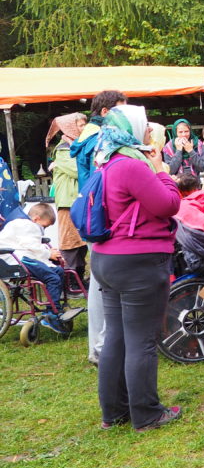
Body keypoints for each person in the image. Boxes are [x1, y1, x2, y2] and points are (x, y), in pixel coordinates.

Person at [89, 104, 183, 431]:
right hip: (138, 263)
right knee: (141, 340)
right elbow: (168, 204)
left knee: (116, 337)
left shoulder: (106, 162)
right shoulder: (132, 165)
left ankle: (114, 412)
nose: (149, 130)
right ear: (130, 128)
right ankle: (146, 414)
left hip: (107, 259)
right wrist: (160, 171)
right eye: (144, 125)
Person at [69, 90, 126, 367]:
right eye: (120, 111)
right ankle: (102, 347)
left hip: (93, 216)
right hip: (100, 217)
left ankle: (99, 346)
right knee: (104, 284)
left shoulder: (87, 136)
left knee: (99, 282)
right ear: (105, 112)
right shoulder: (98, 139)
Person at [0, 204, 70, 332]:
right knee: (53, 278)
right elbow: (32, 245)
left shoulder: (23, 223)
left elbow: (32, 245)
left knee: (58, 271)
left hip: (19, 256)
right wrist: (49, 254)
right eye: (44, 226)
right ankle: (52, 313)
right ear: (36, 219)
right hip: (16, 259)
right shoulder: (28, 225)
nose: (44, 229)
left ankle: (54, 306)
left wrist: (49, 254)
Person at [46, 112, 88, 280]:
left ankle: (79, 279)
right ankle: (69, 280)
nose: (84, 128)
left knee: (82, 243)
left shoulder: (79, 145)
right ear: (70, 127)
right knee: (70, 242)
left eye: (85, 124)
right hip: (68, 201)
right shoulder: (63, 149)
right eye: (80, 125)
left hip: (80, 200)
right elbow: (78, 171)